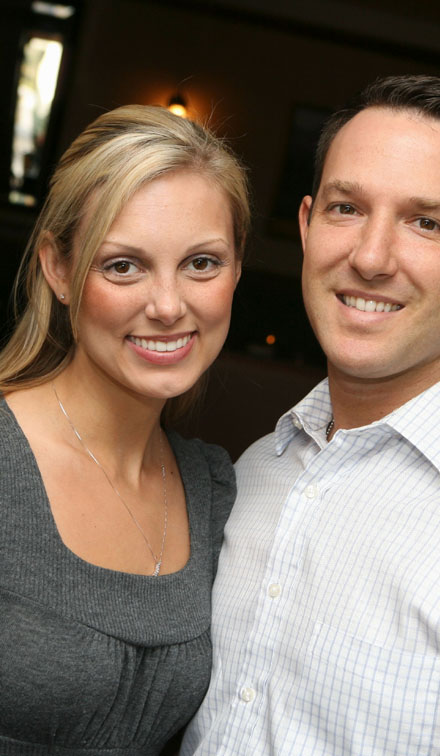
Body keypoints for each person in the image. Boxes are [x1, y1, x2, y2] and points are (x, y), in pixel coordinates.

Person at [182, 75, 440, 755]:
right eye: (346, 208)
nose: (370, 257)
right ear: (305, 227)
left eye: (427, 222)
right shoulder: (253, 475)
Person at [0, 104, 249, 755]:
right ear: (58, 269)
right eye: (123, 266)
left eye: (201, 263)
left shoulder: (215, 489)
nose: (168, 306)